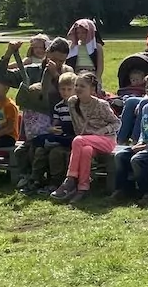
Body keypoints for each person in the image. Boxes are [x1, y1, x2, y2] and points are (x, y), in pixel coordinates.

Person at [49, 72, 119, 202]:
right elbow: (77, 126)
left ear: (92, 89)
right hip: (85, 141)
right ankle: (83, 188)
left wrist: (102, 131)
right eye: (76, 85)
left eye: (82, 86)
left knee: (78, 140)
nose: (78, 88)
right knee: (86, 151)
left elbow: (117, 123)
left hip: (106, 140)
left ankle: (70, 179)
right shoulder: (72, 102)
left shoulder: (101, 104)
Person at [20, 70, 77, 195]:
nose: (66, 92)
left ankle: (55, 183)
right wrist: (52, 129)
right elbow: (55, 124)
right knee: (40, 150)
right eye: (63, 89)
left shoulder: (77, 105)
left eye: (69, 89)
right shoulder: (58, 107)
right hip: (60, 135)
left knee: (55, 153)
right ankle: (36, 179)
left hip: (72, 138)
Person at [65, 19, 105, 87]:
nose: (80, 35)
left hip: (91, 75)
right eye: (78, 33)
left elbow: (100, 66)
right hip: (77, 75)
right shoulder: (73, 47)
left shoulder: (97, 47)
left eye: (83, 33)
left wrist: (97, 78)